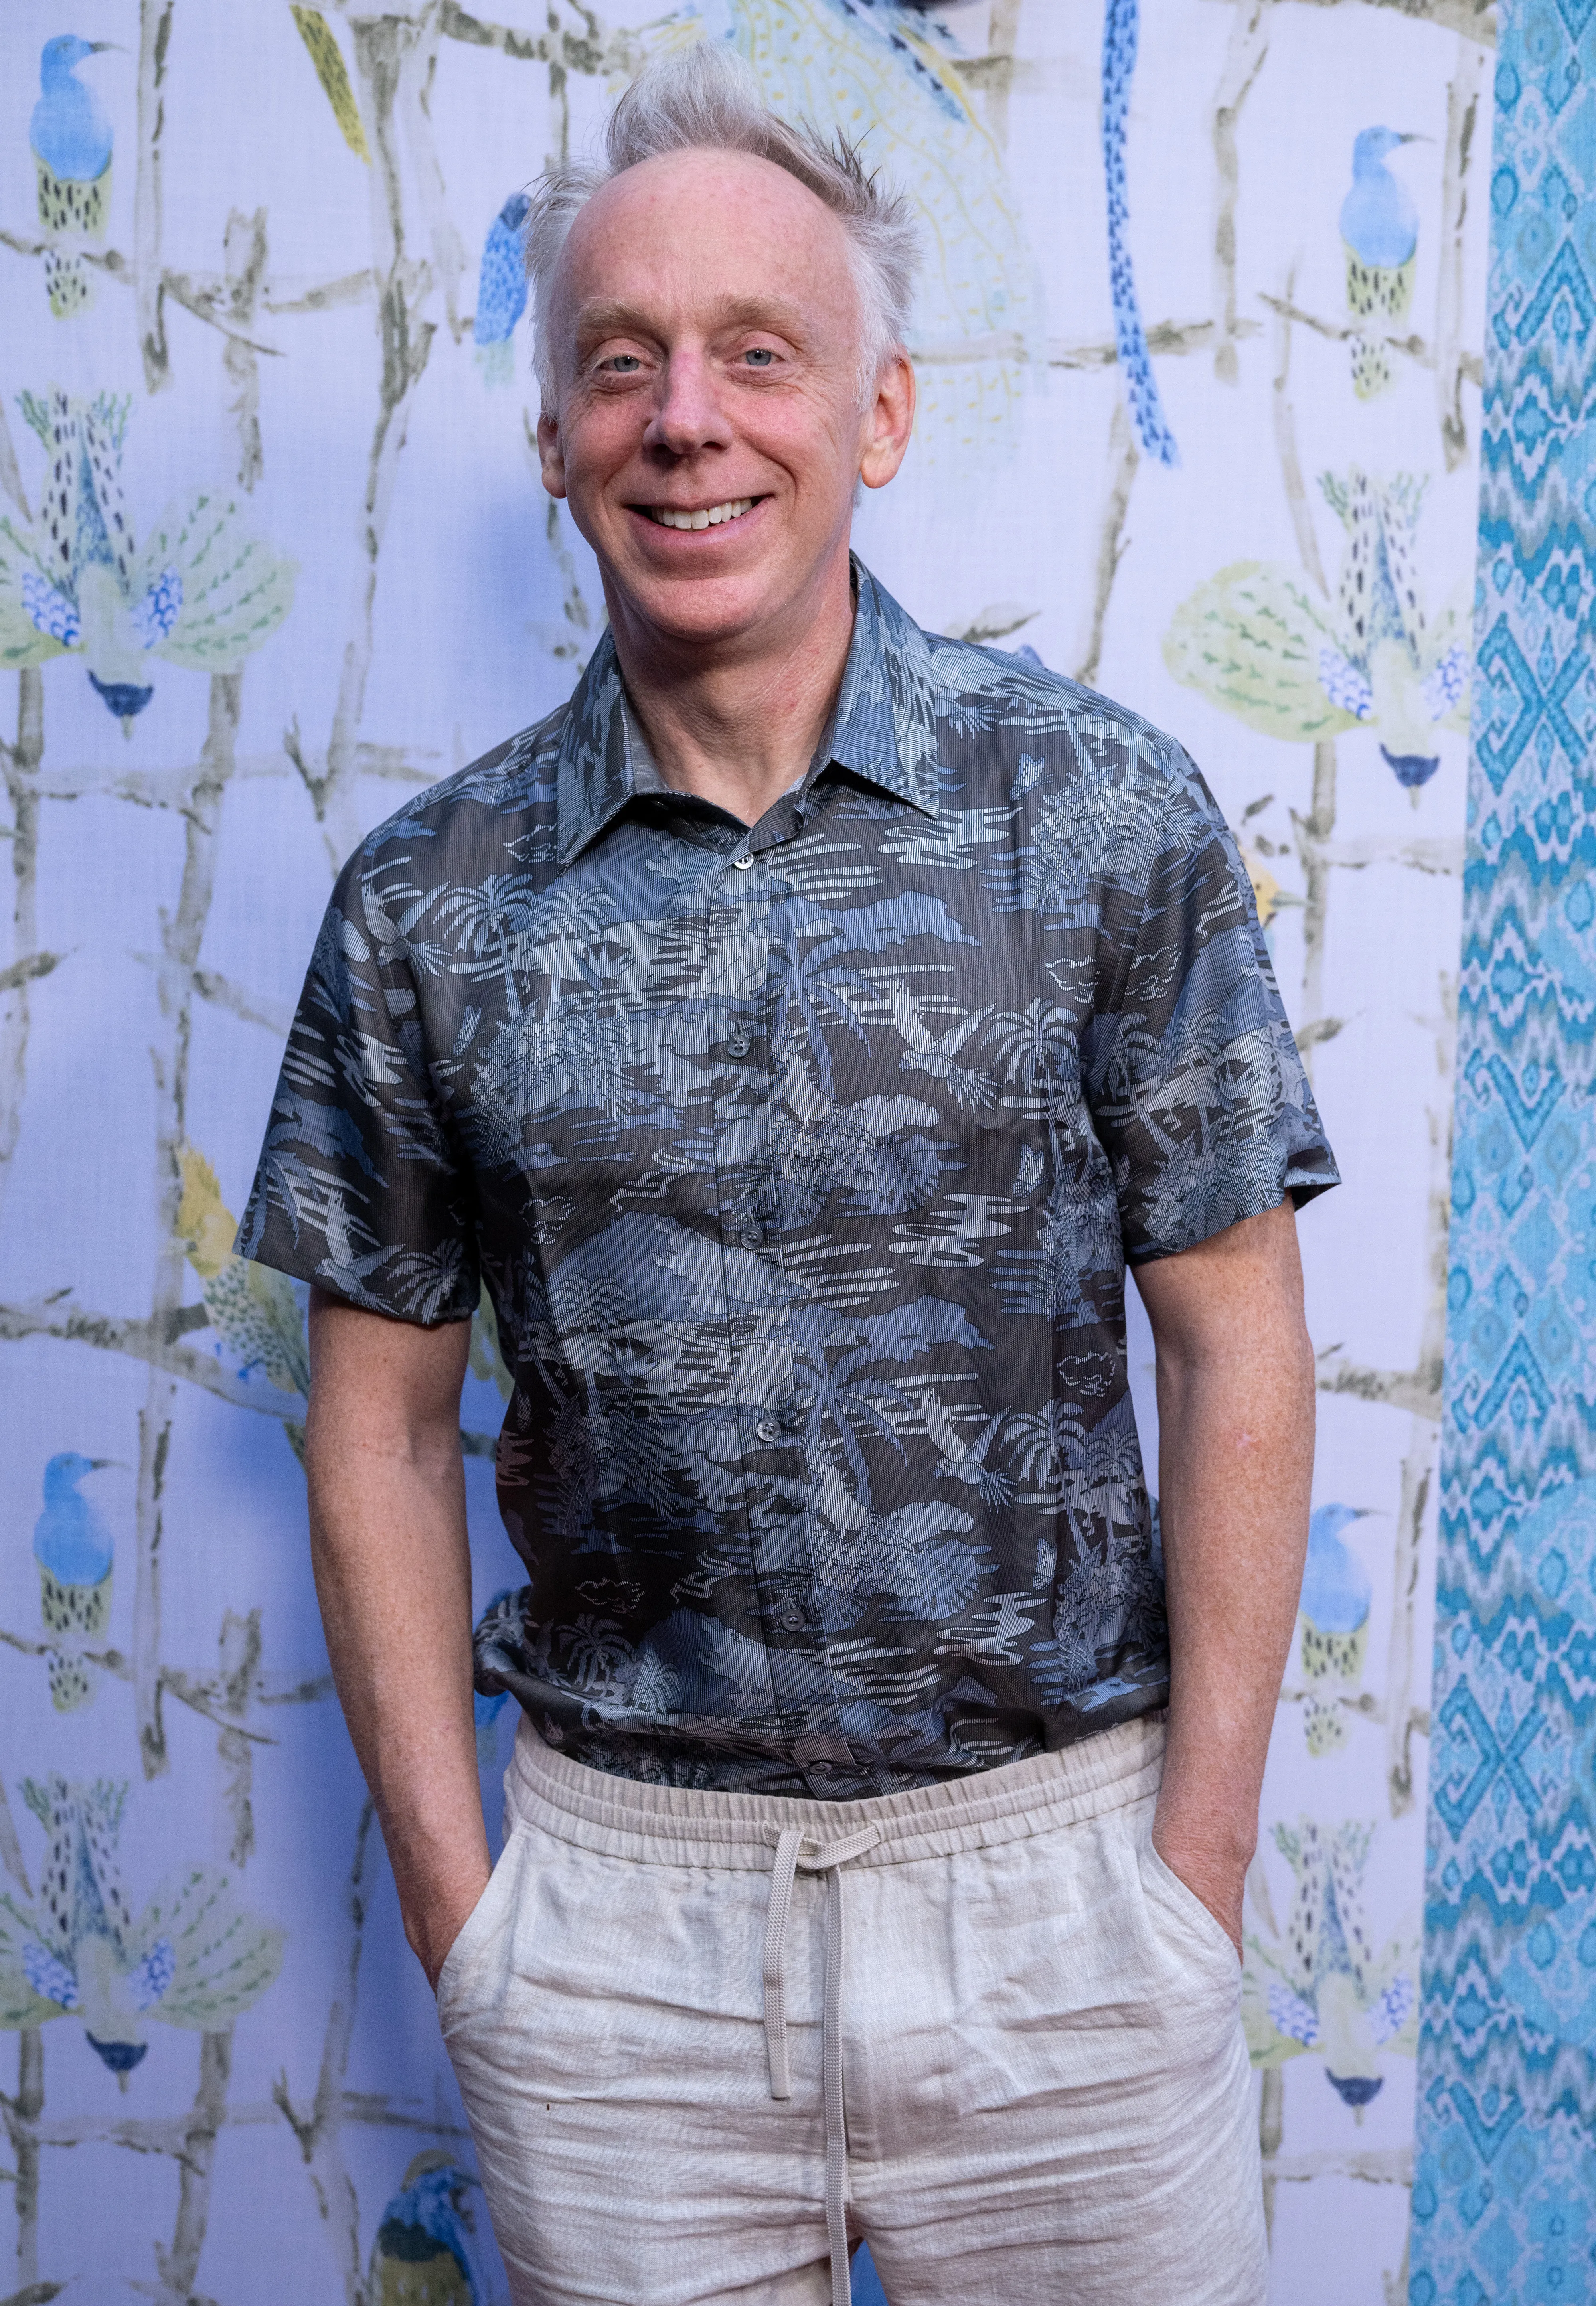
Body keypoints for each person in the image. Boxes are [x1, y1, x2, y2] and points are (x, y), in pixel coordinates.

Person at [239, 43, 1337, 2306]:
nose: (687, 420)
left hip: (1065, 1918)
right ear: (556, 440)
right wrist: (475, 1937)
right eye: (620, 363)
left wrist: (1191, 1882)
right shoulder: (428, 906)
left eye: (761, 354)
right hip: (621, 1950)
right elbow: (372, 1429)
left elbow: (1238, 1340)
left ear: (880, 415)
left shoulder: (1106, 820)